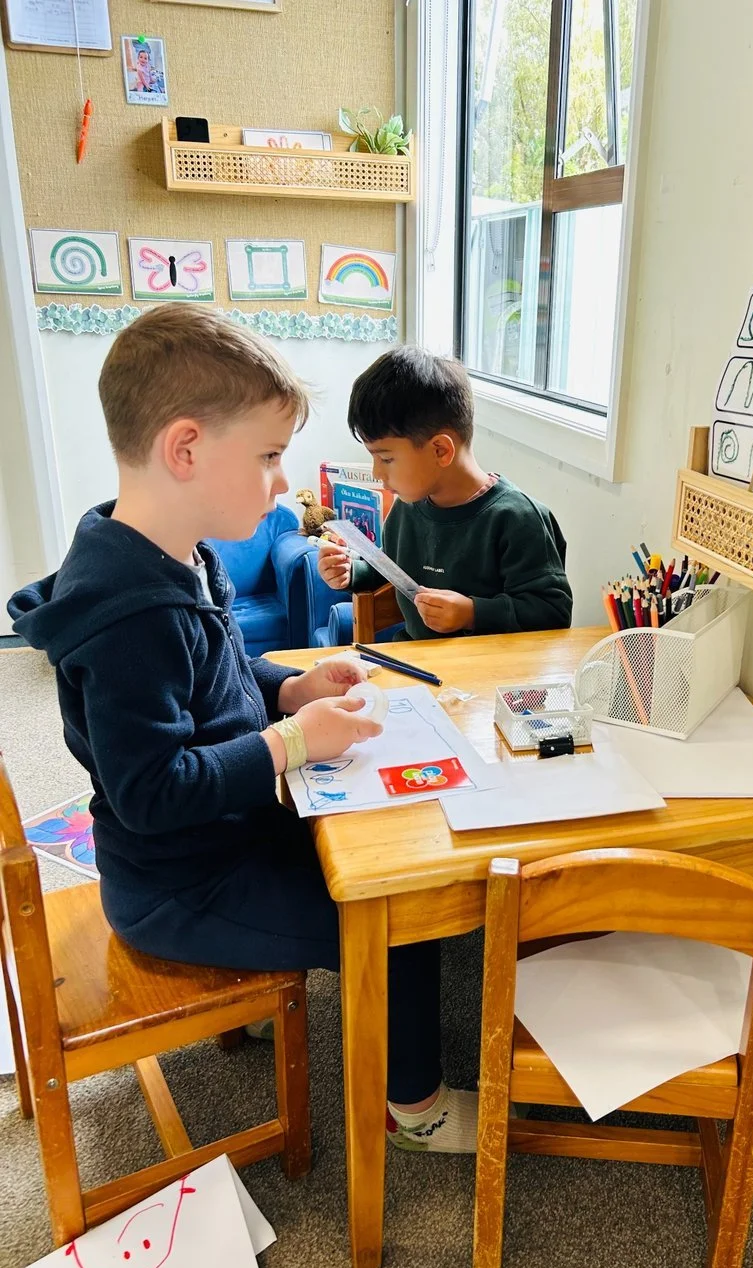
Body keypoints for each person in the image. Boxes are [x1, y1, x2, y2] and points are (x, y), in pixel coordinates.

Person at [7, 305, 477, 1153]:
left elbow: (222, 672)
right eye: (266, 455)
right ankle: (416, 1106)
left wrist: (293, 687)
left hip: (233, 836)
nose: (279, 479)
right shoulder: (128, 619)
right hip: (180, 884)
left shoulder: (177, 549)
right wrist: (293, 743)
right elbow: (154, 792)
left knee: (382, 845)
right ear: (185, 449)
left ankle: (276, 979)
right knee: (400, 913)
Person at [318, 345, 573, 640]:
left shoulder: (518, 519)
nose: (377, 472)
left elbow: (554, 612)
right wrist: (353, 571)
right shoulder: (406, 509)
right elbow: (397, 572)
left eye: (386, 458)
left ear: (440, 449)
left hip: (492, 677)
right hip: (419, 666)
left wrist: (472, 612)